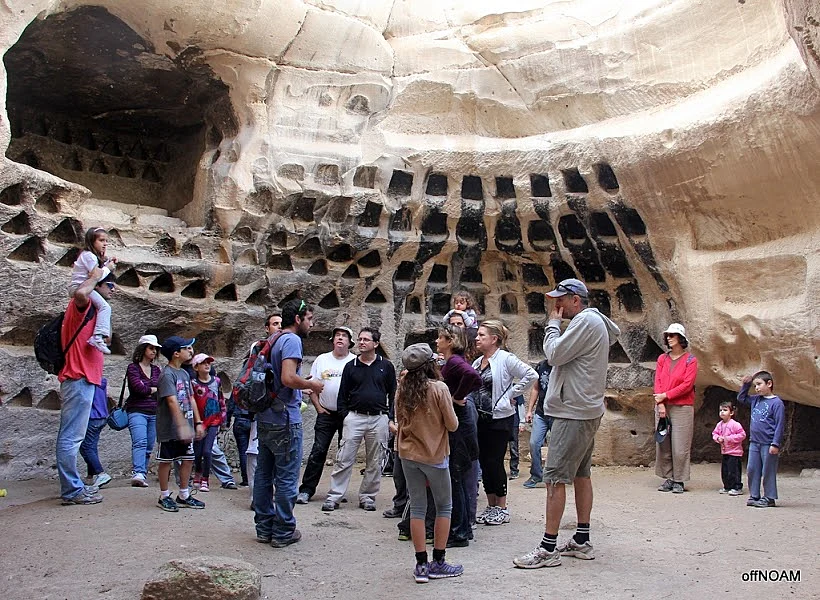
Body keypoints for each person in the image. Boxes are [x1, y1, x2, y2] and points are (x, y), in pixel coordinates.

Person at [514, 278, 620, 569]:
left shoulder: (585, 322)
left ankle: (548, 549)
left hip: (573, 411)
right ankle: (582, 540)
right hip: (583, 409)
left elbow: (554, 354)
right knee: (581, 475)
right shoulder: (591, 322)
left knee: (554, 478)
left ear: (576, 299)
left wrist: (552, 325)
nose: (555, 306)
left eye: (560, 299)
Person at [254, 299, 324, 547]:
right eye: (309, 319)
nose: (311, 325)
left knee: (264, 474)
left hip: (266, 416)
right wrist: (311, 385)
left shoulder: (274, 339)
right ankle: (283, 531)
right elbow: (287, 377)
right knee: (285, 477)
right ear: (298, 319)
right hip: (285, 419)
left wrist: (298, 384)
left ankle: (264, 527)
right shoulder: (292, 340)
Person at [395, 343, 462, 583]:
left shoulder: (403, 388)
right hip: (434, 455)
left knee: (418, 508)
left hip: (407, 455)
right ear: (431, 365)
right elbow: (452, 424)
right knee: (444, 506)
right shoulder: (439, 388)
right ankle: (439, 562)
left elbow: (398, 419)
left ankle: (421, 564)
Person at [56, 266, 115, 505]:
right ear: (98, 287)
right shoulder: (83, 304)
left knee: (74, 437)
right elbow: (80, 294)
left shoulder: (94, 310)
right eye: (109, 285)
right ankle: (71, 491)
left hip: (83, 378)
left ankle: (75, 487)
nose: (114, 290)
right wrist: (94, 276)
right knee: (71, 437)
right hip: (78, 377)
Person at [322, 327, 396, 512]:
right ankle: (334, 496)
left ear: (376, 344)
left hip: (378, 418)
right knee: (344, 458)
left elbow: (393, 393)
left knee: (375, 459)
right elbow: (343, 394)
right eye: (360, 339)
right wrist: (345, 415)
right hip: (354, 417)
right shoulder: (351, 366)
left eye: (366, 340)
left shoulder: (385, 366)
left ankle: (368, 497)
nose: (361, 342)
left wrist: (390, 417)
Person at [471, 320, 537, 526]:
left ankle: (502, 506)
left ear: (494, 338)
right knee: (484, 462)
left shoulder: (506, 359)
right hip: (480, 418)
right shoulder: (477, 362)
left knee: (495, 461)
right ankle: (491, 505)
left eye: (482, 335)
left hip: (499, 419)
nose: (477, 338)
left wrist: (512, 393)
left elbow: (531, 374)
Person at [296, 326, 356, 504]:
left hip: (347, 414)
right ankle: (306, 490)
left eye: (344, 336)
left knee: (344, 455)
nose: (340, 338)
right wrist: (318, 407)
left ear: (349, 342)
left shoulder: (354, 361)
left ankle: (338, 491)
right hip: (326, 413)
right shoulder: (322, 359)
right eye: (337, 335)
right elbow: (312, 384)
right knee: (318, 451)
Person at [437, 325, 480, 547]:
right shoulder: (452, 361)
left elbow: (473, 376)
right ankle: (463, 529)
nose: (436, 341)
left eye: (440, 338)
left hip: (459, 427)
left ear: (451, 341)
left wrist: (456, 397)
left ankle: (460, 533)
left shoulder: (454, 361)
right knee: (458, 480)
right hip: (459, 424)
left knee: (456, 479)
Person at [230, 313, 282, 487]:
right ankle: (255, 492)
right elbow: (250, 378)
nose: (279, 327)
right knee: (254, 451)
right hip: (258, 408)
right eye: (275, 324)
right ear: (267, 328)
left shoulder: (287, 346)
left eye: (281, 323)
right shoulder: (259, 348)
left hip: (278, 409)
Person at [155, 336, 206, 512]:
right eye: (187, 348)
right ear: (176, 353)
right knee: (166, 461)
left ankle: (183, 494)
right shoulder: (166, 375)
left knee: (188, 459)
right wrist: (182, 425)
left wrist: (198, 422)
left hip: (187, 425)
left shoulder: (184, 373)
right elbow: (171, 401)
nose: (191, 350)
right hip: (169, 428)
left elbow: (191, 398)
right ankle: (164, 495)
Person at [653, 323, 698, 494]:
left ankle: (679, 479)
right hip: (663, 405)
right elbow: (658, 382)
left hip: (682, 406)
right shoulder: (662, 359)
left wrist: (665, 396)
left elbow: (687, 385)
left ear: (681, 338)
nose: (669, 338)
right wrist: (661, 403)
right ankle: (669, 477)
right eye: (668, 336)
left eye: (673, 335)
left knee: (680, 445)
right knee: (663, 443)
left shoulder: (690, 360)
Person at [737, 371, 785, 508]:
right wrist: (746, 385)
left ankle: (769, 497)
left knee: (768, 470)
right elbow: (741, 398)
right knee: (752, 469)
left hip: (768, 443)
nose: (756, 388)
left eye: (759, 384)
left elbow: (779, 425)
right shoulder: (756, 399)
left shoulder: (777, 403)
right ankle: (754, 495)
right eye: (755, 385)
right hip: (754, 442)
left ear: (769, 384)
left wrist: (775, 443)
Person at [69, 227, 116, 354]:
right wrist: (108, 268)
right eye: (101, 240)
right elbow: (96, 275)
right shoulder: (89, 256)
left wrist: (106, 262)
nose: (105, 243)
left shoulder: (89, 256)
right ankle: (98, 336)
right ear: (91, 241)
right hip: (82, 288)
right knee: (105, 308)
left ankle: (99, 336)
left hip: (83, 287)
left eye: (106, 241)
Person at [126, 334, 162, 487]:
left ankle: (143, 472)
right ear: (143, 349)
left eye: (155, 349)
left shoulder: (156, 370)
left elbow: (160, 388)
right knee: (140, 441)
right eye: (151, 348)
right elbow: (138, 388)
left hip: (153, 411)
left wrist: (150, 389)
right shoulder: (133, 367)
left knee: (148, 445)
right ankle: (138, 472)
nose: (154, 351)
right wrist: (151, 389)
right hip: (137, 410)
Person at [191, 353, 227, 492]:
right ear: (196, 367)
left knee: (207, 450)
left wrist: (223, 417)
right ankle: (198, 473)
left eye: (209, 363)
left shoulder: (216, 381)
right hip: (199, 421)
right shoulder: (193, 384)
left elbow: (221, 399)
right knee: (197, 451)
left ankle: (205, 478)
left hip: (213, 420)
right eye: (203, 363)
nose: (207, 365)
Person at [523, 359, 553, 489]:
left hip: (558, 412)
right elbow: (536, 388)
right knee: (534, 443)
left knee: (557, 445)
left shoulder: (564, 365)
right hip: (541, 412)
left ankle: (554, 475)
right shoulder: (541, 366)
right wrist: (530, 410)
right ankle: (536, 474)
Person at [79, 378, 112, 489]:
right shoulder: (101, 380)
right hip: (101, 417)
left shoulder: (88, 382)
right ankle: (90, 476)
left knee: (86, 447)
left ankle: (101, 473)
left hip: (92, 417)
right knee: (91, 447)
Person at [712, 401, 746, 496]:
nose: (722, 412)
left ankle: (737, 487)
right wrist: (718, 438)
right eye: (721, 410)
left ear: (731, 413)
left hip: (735, 452)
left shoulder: (735, 424)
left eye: (725, 410)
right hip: (725, 451)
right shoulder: (719, 424)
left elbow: (742, 435)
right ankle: (727, 486)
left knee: (734, 470)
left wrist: (728, 439)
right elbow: (714, 433)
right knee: (725, 470)